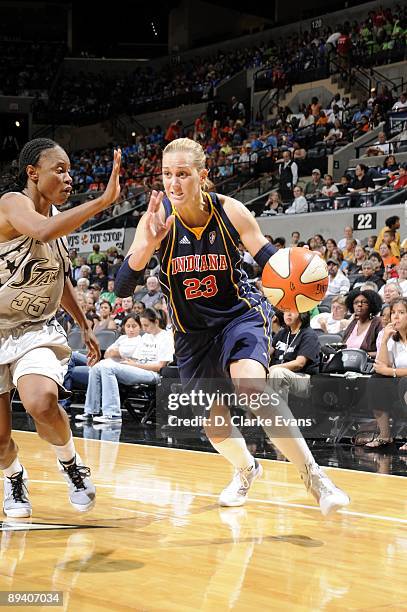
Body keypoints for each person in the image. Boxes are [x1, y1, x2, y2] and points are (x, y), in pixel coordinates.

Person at [114, 137, 349, 515]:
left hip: (238, 316)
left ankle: (315, 477)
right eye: (167, 174)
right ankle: (246, 468)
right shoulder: (155, 222)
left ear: (202, 176)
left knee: (251, 385)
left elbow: (271, 262)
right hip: (192, 335)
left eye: (183, 174)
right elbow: (123, 286)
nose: (173, 183)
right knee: (215, 427)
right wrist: (146, 246)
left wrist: (305, 267)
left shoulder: (230, 211)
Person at [0, 137, 121, 517]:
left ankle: (71, 464)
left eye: (70, 170)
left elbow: (59, 277)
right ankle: (14, 478)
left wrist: (83, 323)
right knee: (0, 439)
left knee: (40, 401)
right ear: (32, 173)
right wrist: (102, 202)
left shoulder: (56, 225)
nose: (69, 177)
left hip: (34, 329)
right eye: (60, 169)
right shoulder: (11, 203)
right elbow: (40, 231)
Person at [80, 310, 173, 423]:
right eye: (142, 325)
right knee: (97, 367)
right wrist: (128, 363)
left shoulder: (166, 337)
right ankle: (91, 411)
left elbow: (160, 366)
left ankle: (113, 414)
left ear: (156, 322)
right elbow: (135, 358)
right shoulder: (146, 337)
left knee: (108, 368)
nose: (143, 328)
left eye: (146, 325)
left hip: (153, 374)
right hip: (137, 368)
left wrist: (134, 365)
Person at [365, 297, 407, 451]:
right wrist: (383, 340)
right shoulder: (391, 338)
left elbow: (387, 369)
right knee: (376, 381)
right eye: (393, 312)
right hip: (400, 382)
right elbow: (381, 366)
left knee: (404, 382)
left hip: (404, 382)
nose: (395, 316)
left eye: (401, 312)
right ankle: (385, 435)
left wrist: (391, 372)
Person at [342, 289, 383, 358]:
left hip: (367, 365)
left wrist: (361, 355)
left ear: (372, 305)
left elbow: (382, 352)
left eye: (364, 302)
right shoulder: (353, 323)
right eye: (356, 302)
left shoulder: (378, 323)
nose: (359, 305)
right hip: (347, 363)